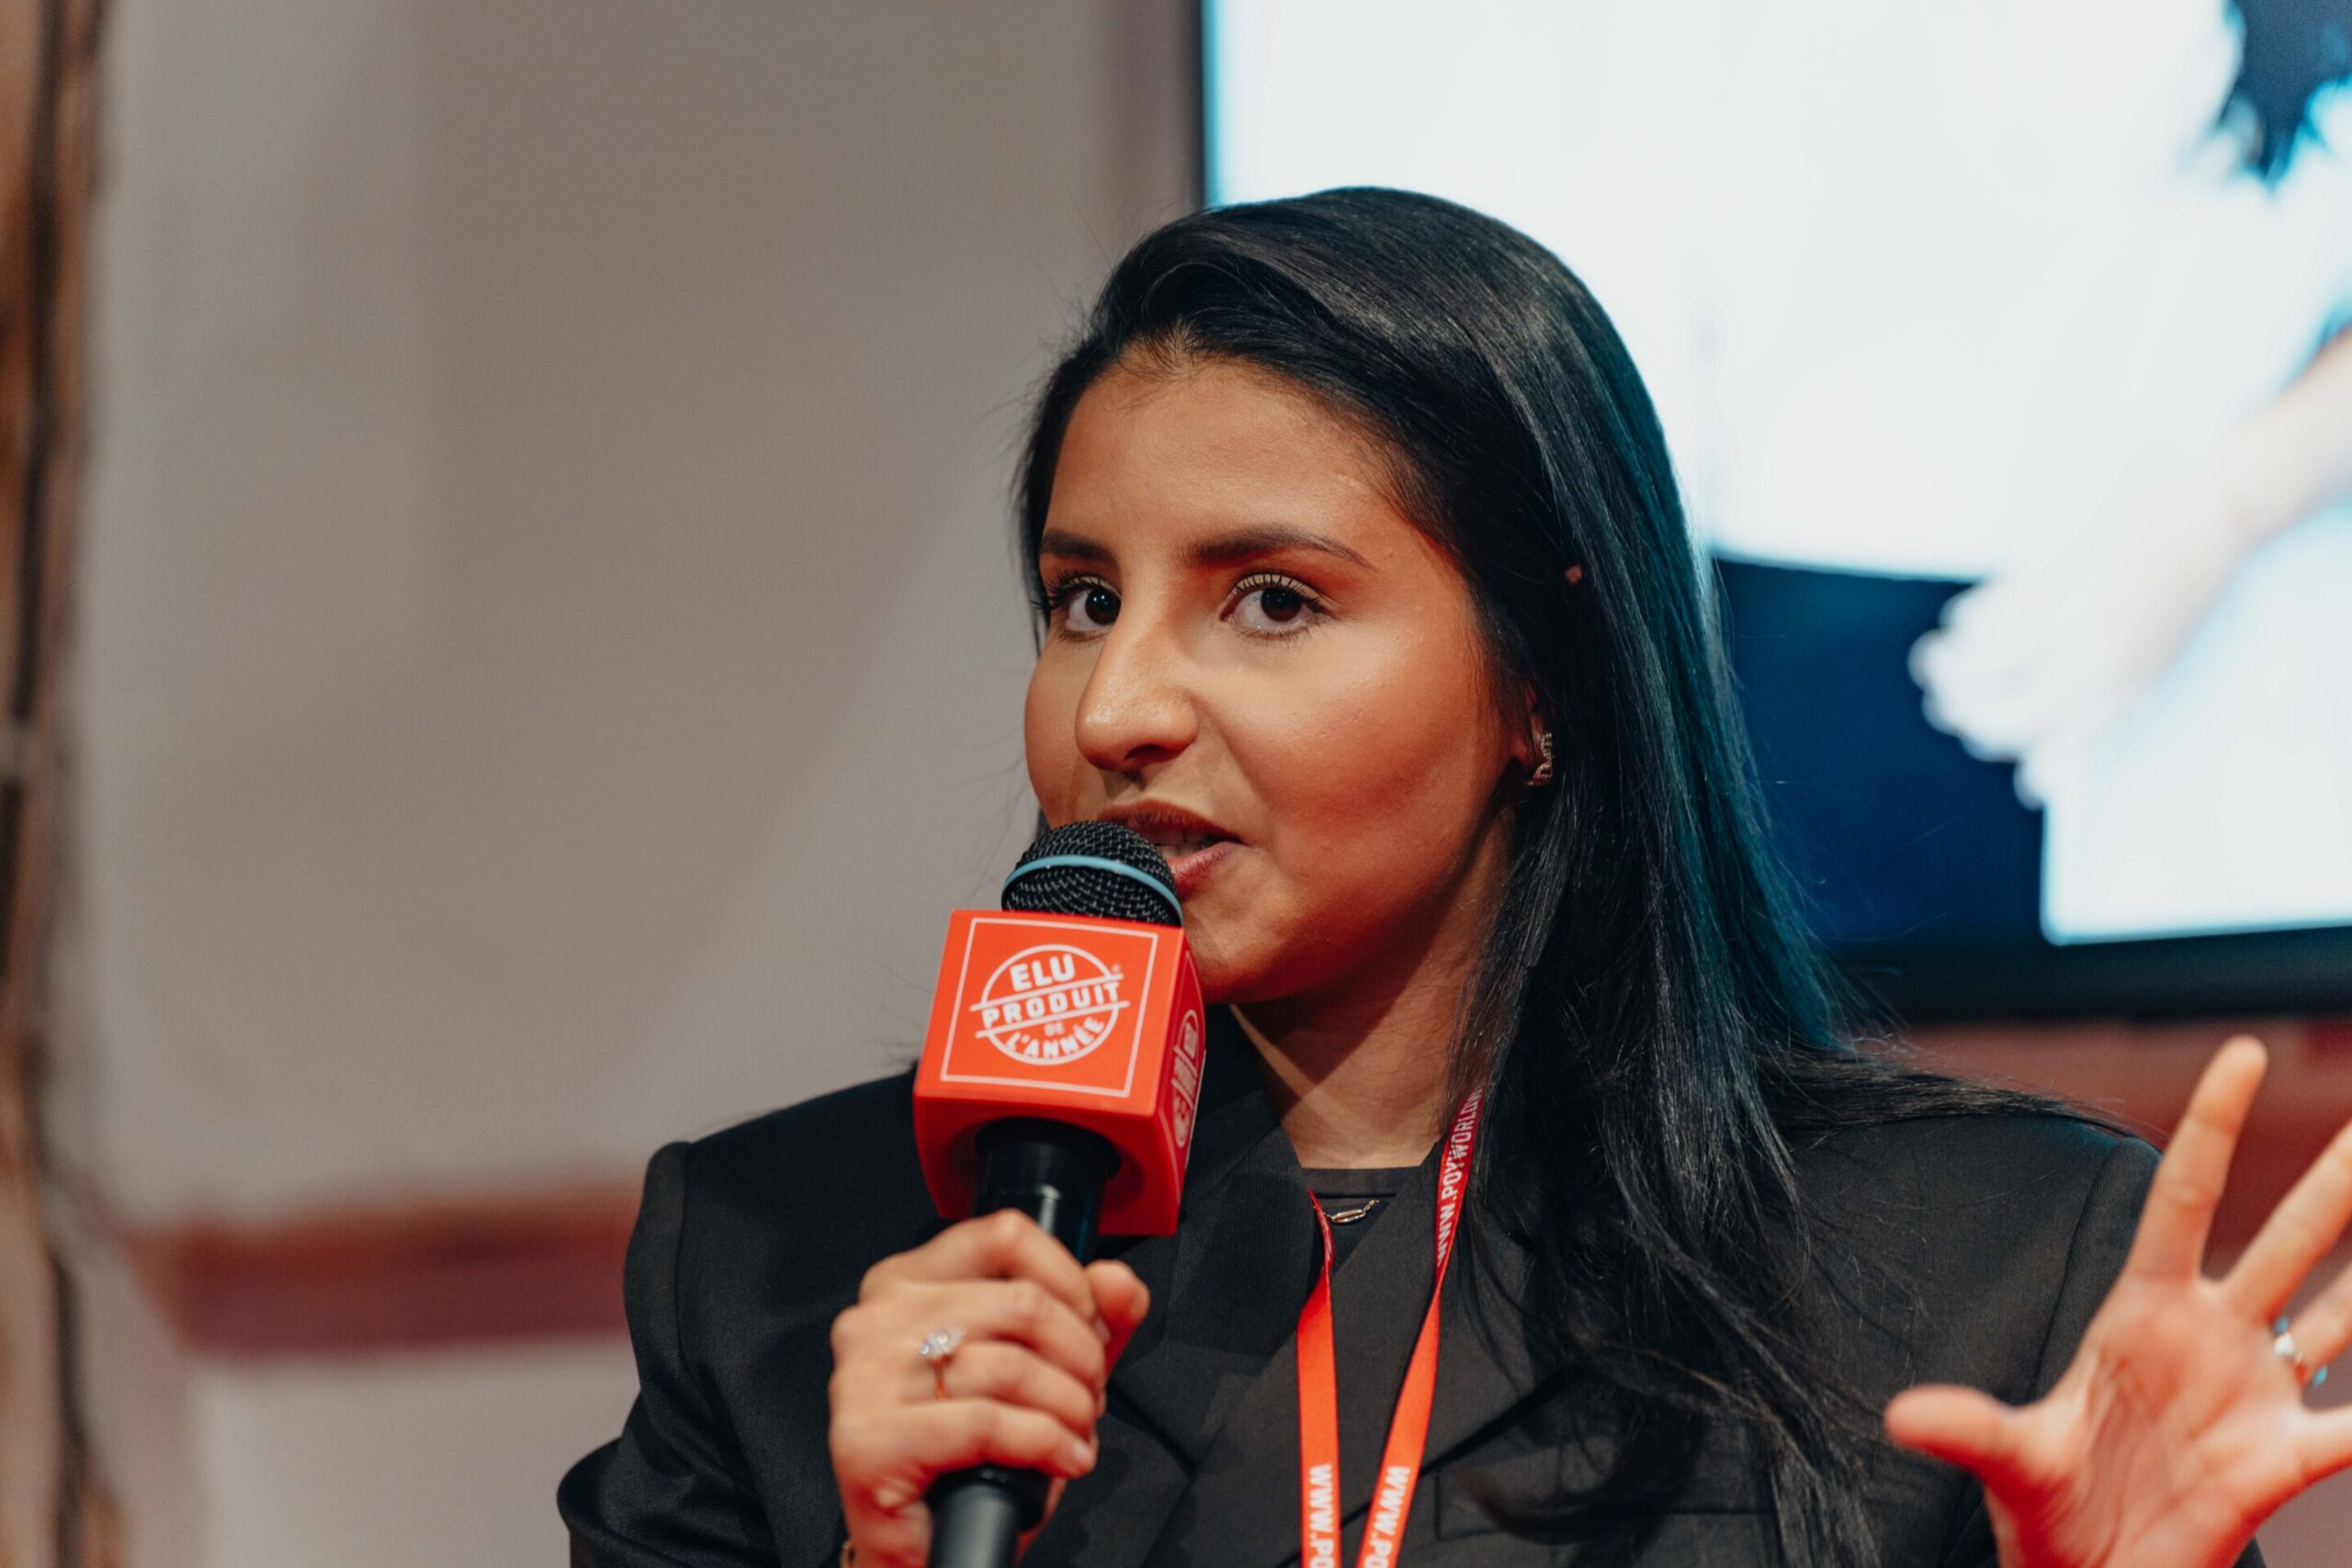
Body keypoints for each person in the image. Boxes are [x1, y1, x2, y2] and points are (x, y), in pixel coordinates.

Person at [559, 188, 2352, 1567]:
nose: (1115, 708)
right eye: (1083, 599)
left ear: (1538, 675)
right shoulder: (783, 1260)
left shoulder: (1987, 1266)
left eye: (1271, 600)